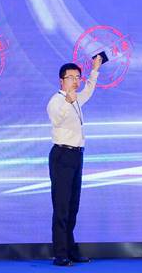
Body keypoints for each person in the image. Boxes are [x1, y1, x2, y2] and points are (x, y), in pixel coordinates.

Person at [47, 55, 102, 267]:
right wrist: (68, 102)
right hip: (62, 155)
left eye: (78, 77)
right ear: (61, 81)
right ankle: (60, 254)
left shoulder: (77, 99)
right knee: (61, 207)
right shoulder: (56, 101)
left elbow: (89, 90)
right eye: (71, 77)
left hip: (77, 155)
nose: (76, 81)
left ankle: (70, 249)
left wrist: (95, 70)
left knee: (72, 206)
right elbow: (57, 119)